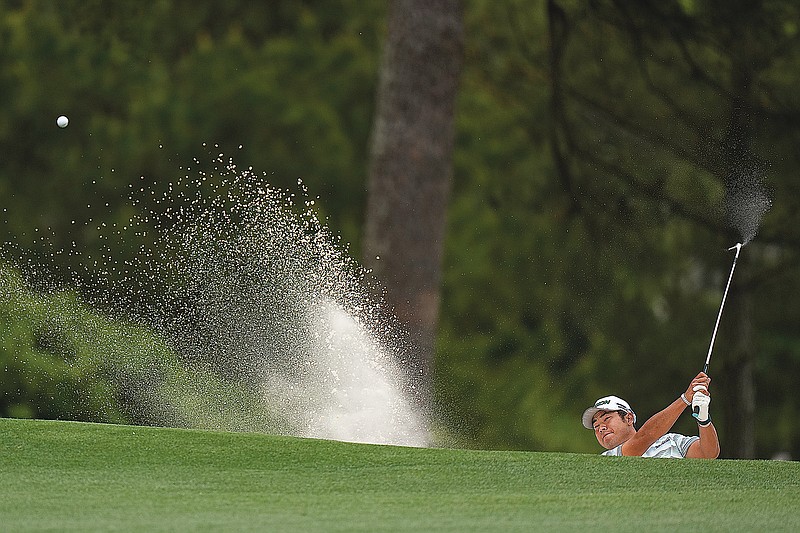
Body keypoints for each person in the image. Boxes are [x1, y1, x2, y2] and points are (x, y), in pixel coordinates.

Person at [581, 372, 720, 458]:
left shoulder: (671, 441)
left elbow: (708, 454)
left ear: (628, 418)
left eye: (607, 419)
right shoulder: (607, 459)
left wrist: (703, 419)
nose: (601, 428)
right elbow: (644, 437)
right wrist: (684, 399)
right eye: (596, 426)